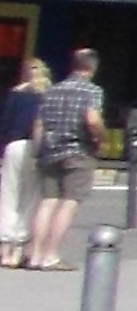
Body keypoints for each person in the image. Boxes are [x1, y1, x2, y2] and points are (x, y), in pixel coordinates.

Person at [24, 49, 108, 271]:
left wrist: (37, 152)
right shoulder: (92, 91)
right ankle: (49, 255)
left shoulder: (52, 91)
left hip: (50, 152)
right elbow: (92, 120)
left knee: (47, 202)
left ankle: (34, 254)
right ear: (92, 67)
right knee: (68, 203)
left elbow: (38, 124)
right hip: (77, 151)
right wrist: (101, 139)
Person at [0, 56, 41, 258]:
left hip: (13, 146)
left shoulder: (15, 94)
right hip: (34, 147)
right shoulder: (46, 96)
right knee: (29, 199)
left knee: (8, 197)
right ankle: (19, 248)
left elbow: (5, 124)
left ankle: (5, 247)